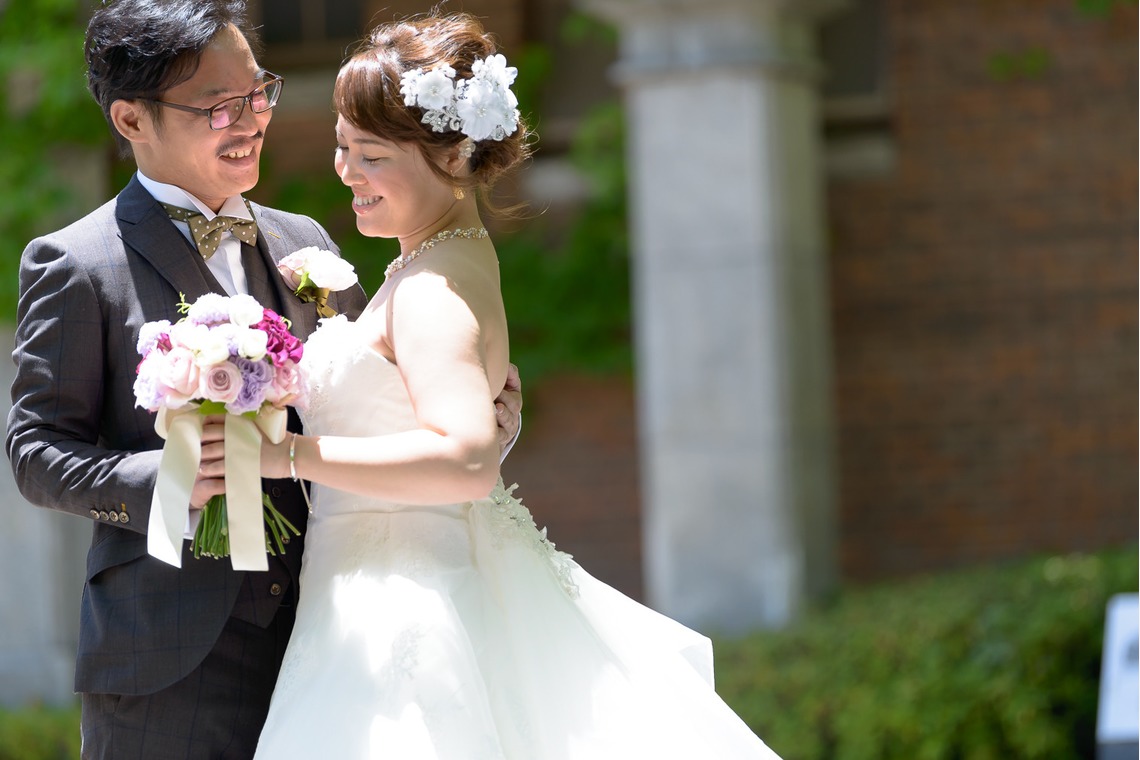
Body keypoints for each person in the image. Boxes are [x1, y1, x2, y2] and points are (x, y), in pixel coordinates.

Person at [251, 13, 783, 759]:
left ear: (455, 154)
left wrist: (288, 458)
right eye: (343, 148)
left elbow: (467, 463)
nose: (346, 172)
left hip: (398, 602)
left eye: (370, 154)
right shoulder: (444, 259)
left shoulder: (432, 286)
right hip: (381, 584)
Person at [4, 2, 522, 758]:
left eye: (258, 93)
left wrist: (488, 431)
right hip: (168, 661)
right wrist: (170, 476)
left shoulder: (304, 241)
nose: (249, 119)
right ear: (130, 119)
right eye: (217, 105)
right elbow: (35, 452)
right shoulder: (78, 265)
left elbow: (376, 411)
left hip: (334, 634)